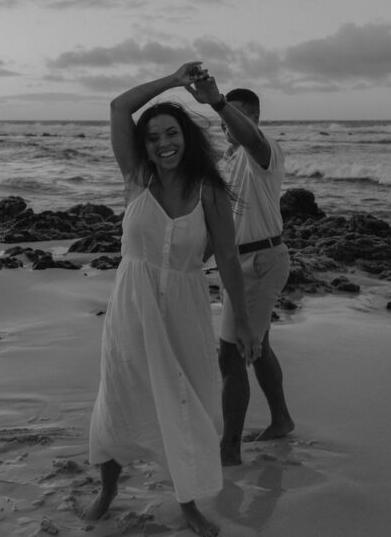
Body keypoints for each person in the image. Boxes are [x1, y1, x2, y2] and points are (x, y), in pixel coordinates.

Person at [85, 62, 260, 537]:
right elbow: (121, 106)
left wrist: (243, 320)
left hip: (185, 310)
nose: (164, 143)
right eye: (154, 136)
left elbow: (226, 256)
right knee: (120, 397)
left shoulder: (209, 190)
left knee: (186, 402)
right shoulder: (137, 178)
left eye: (172, 133)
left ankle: (188, 504)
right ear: (144, 145)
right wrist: (174, 81)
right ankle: (108, 488)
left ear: (187, 137)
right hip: (131, 308)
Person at [186, 75, 295, 466]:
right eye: (224, 119)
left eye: (237, 116)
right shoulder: (226, 164)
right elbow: (220, 225)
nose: (228, 125)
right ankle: (281, 419)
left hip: (264, 261)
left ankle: (229, 449)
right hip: (236, 264)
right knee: (257, 347)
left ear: (253, 118)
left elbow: (248, 137)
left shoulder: (263, 154)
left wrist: (218, 103)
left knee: (231, 356)